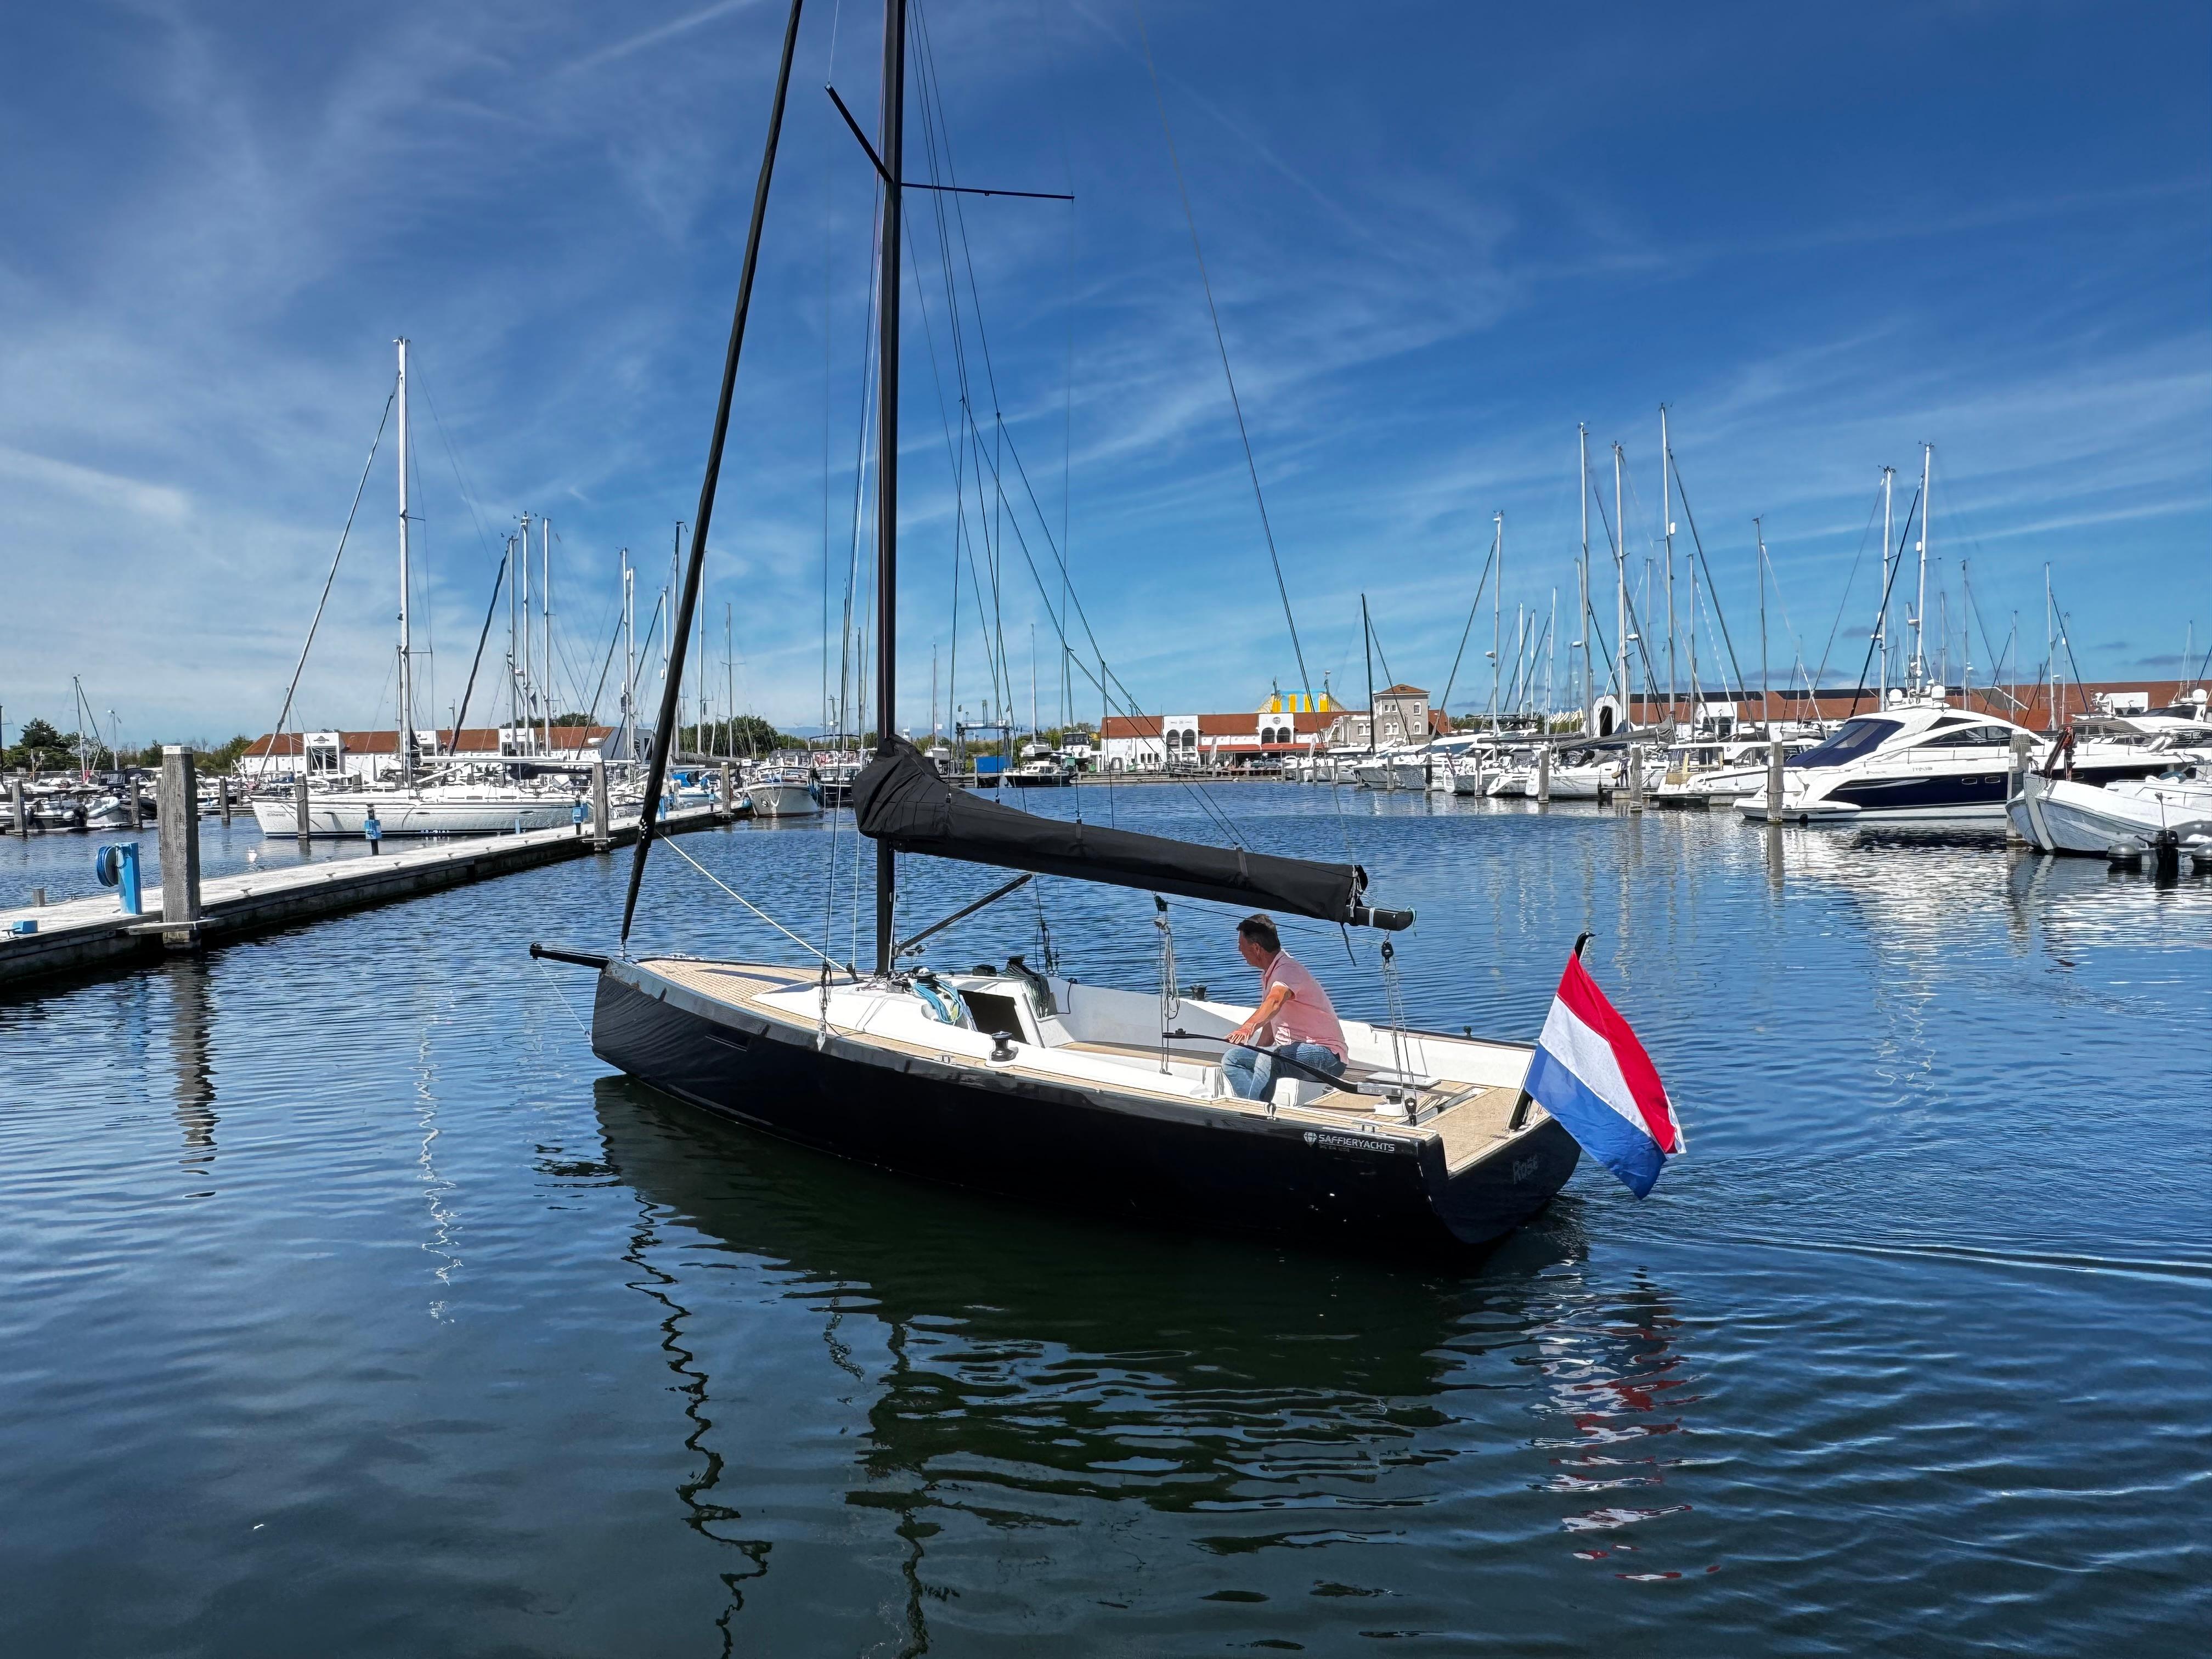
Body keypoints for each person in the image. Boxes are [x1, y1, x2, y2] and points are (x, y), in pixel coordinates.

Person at [1220, 913, 1348, 1101]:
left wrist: (1248, 1027)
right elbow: (1271, 1026)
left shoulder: (1286, 970)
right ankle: (1252, 1107)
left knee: (1268, 1058)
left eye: (1242, 947)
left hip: (1328, 1058)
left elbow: (1275, 1001)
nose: (1240, 952)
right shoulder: (1270, 973)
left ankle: (1256, 1116)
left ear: (1256, 948)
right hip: (1292, 1053)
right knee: (1233, 1059)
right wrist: (1255, 1051)